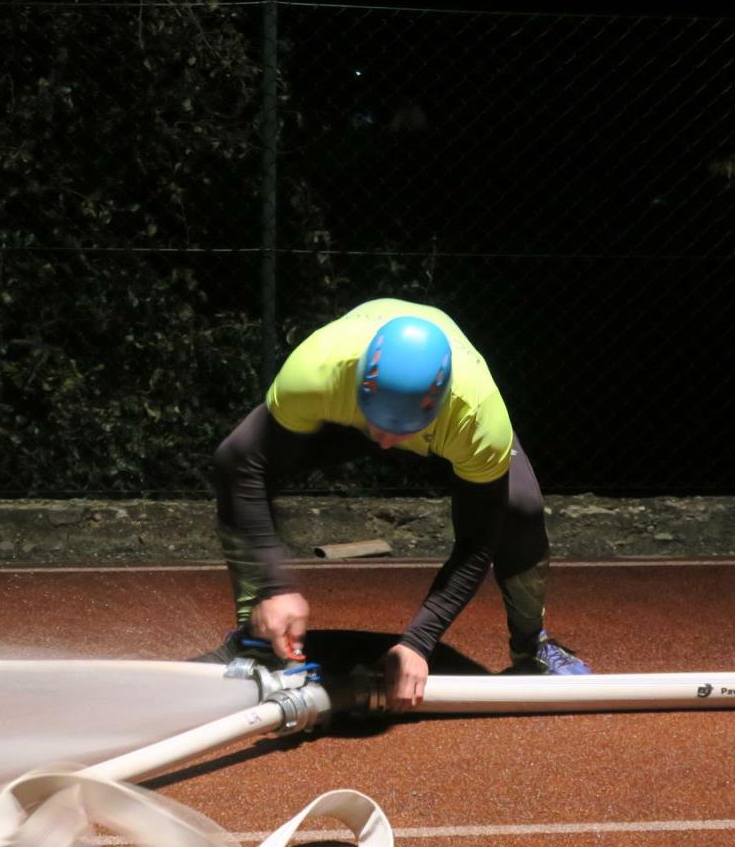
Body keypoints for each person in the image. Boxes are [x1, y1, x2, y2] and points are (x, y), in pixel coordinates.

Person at [195, 297, 591, 711]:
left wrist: (419, 642)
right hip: (347, 417)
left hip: (436, 425)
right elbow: (243, 464)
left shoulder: (477, 417)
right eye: (380, 423)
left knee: (521, 508)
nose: (385, 442)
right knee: (233, 460)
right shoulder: (317, 370)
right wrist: (273, 589)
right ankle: (258, 637)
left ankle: (532, 645)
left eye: (399, 429)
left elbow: (477, 543)